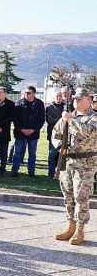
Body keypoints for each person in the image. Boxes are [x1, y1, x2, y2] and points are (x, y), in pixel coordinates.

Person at [52, 88, 96, 245]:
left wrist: (71, 120)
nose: (76, 101)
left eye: (80, 99)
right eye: (75, 99)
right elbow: (56, 132)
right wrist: (59, 146)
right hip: (68, 161)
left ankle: (79, 229)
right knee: (68, 195)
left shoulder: (93, 117)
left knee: (81, 196)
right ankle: (70, 226)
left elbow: (88, 132)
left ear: (89, 100)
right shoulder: (69, 116)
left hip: (85, 164)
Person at [11, 86, 45, 178]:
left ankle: (31, 172)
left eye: (29, 92)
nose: (26, 94)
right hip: (20, 133)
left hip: (33, 134)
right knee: (17, 153)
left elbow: (41, 119)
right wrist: (21, 129)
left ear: (34, 93)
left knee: (32, 153)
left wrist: (33, 130)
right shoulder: (18, 103)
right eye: (25, 92)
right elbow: (15, 118)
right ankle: (14, 171)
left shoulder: (40, 104)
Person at [45, 91, 64, 179]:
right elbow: (49, 120)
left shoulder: (67, 106)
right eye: (57, 96)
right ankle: (51, 174)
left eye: (60, 96)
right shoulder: (49, 107)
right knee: (52, 154)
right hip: (54, 135)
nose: (58, 98)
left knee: (63, 156)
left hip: (65, 135)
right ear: (53, 97)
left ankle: (61, 175)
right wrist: (63, 119)